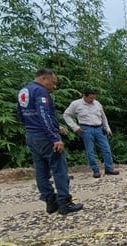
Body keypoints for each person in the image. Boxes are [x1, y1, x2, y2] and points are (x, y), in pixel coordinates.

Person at [17, 68, 83, 215]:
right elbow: (43, 114)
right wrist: (54, 136)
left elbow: (21, 115)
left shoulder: (24, 91)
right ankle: (65, 203)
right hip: (45, 137)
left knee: (41, 170)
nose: (54, 86)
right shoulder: (40, 92)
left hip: (32, 135)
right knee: (59, 168)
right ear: (43, 79)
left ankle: (50, 202)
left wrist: (54, 126)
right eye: (53, 83)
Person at [63, 89, 120, 178]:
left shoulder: (97, 103)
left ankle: (109, 169)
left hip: (99, 128)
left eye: (93, 98)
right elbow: (66, 115)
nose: (92, 100)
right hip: (86, 128)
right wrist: (75, 127)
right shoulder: (76, 104)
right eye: (90, 98)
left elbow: (103, 116)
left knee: (106, 149)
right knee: (90, 150)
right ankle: (95, 170)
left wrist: (107, 127)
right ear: (84, 96)